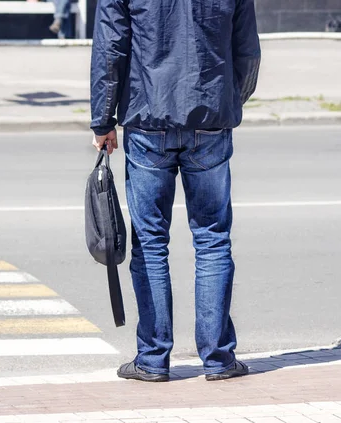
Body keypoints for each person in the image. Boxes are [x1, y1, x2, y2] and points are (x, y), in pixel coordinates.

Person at [90, 0, 261, 382]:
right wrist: (227, 101)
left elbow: (110, 47)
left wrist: (102, 120)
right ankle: (218, 359)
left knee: (150, 243)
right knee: (213, 239)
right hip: (210, 119)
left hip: (148, 119)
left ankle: (152, 359)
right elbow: (247, 51)